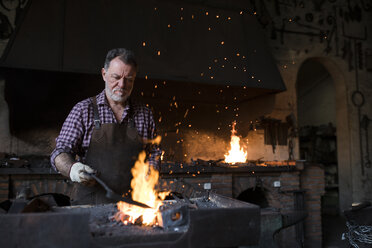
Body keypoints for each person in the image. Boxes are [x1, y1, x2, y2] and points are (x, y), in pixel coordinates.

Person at [50, 48, 161, 205]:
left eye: (129, 79)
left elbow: (154, 153)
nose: (122, 85)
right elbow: (59, 153)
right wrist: (73, 169)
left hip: (132, 207)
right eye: (116, 77)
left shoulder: (144, 113)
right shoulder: (83, 110)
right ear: (104, 74)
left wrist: (149, 174)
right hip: (89, 205)